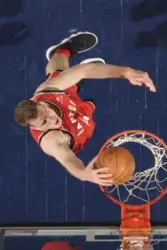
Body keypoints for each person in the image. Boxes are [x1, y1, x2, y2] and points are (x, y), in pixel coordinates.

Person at [13, 31, 156, 186]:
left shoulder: (47, 91)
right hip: (75, 126)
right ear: (35, 127)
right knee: (74, 83)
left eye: (47, 112)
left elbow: (86, 70)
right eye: (45, 122)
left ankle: (63, 49)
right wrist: (84, 174)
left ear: (41, 104)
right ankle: (75, 83)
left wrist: (126, 72)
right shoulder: (50, 140)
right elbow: (67, 159)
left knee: (58, 73)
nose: (52, 118)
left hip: (65, 99)